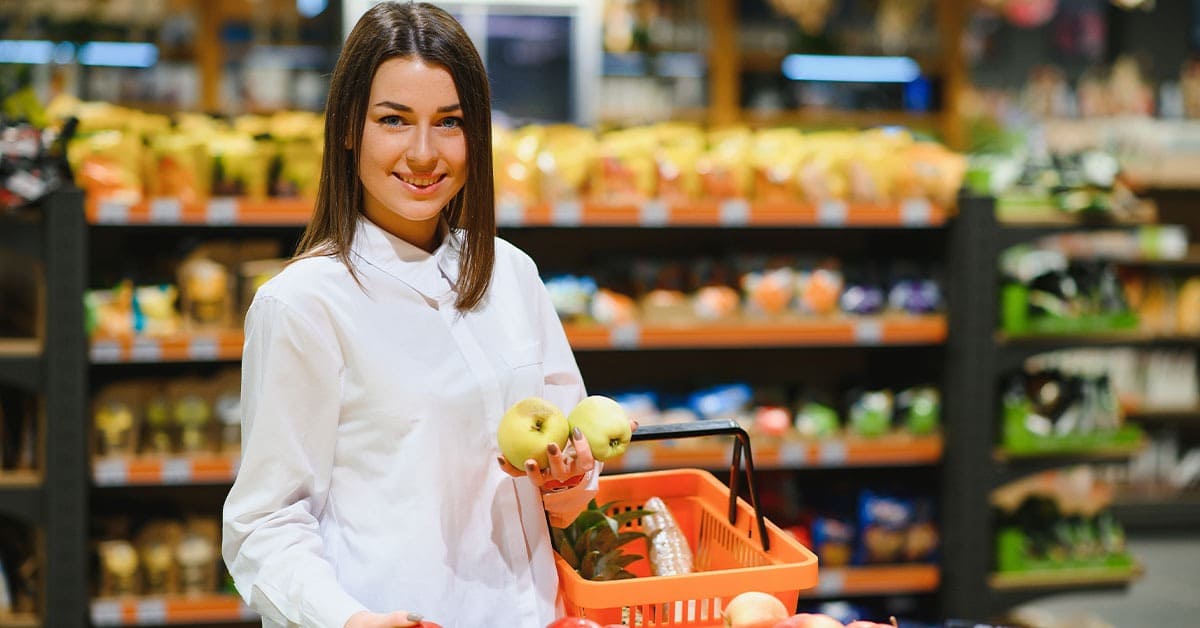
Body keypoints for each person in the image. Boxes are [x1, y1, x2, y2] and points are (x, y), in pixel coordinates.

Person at [222, 3, 612, 626]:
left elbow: (572, 482)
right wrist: (349, 619)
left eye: (449, 122)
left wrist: (565, 481)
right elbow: (264, 524)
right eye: (394, 120)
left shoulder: (511, 275)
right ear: (350, 128)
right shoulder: (303, 304)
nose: (424, 153)